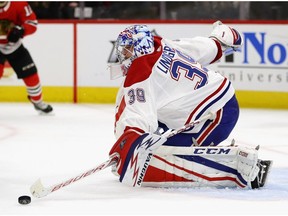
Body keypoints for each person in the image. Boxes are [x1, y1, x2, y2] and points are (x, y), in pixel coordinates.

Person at [108, 22, 272, 189]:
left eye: (127, 48)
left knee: (161, 158)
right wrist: (218, 43)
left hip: (215, 116)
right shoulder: (162, 45)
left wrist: (129, 144)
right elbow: (200, 48)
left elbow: (138, 114)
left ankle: (245, 170)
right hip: (217, 104)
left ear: (140, 46)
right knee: (154, 148)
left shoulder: (141, 71)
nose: (123, 54)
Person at [0, 1, 53, 114]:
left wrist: (21, 30)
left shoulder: (19, 4)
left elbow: (32, 23)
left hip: (15, 46)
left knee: (31, 75)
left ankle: (37, 102)